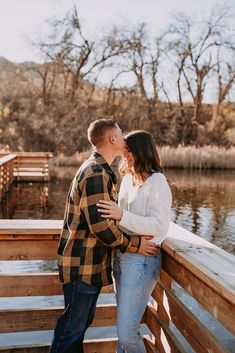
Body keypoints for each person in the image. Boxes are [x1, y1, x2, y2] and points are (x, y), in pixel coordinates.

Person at [49, 120, 159, 353]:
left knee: (76, 330)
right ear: (112, 139)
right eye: (120, 133)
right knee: (70, 333)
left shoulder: (97, 169)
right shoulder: (96, 173)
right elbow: (101, 227)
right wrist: (136, 244)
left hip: (87, 267)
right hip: (83, 267)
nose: (124, 137)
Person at [97, 130, 172, 353]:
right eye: (125, 150)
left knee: (127, 334)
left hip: (142, 262)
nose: (125, 155)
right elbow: (123, 221)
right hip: (122, 256)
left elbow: (159, 225)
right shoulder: (128, 179)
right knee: (124, 332)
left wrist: (122, 215)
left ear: (142, 151)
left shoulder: (158, 182)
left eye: (129, 151)